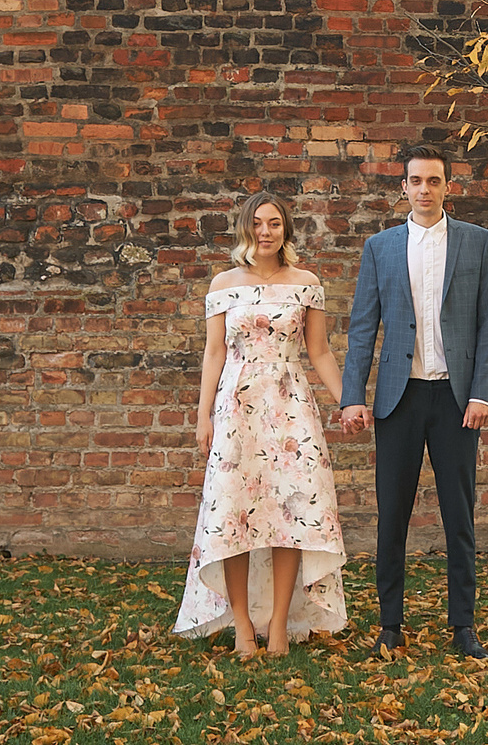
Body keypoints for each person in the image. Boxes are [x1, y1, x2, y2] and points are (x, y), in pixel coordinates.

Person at [338, 144, 488, 659]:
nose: (424, 190)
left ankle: (463, 627)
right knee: (393, 516)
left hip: (456, 400)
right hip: (398, 400)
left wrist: (482, 393)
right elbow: (363, 328)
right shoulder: (380, 247)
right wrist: (351, 398)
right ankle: (390, 624)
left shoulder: (478, 243)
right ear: (403, 188)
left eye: (434, 180)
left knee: (460, 516)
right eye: (415, 181)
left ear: (448, 185)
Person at [173, 190, 349, 656]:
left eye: (274, 224)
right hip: (236, 408)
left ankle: (276, 627)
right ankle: (242, 628)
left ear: (285, 230)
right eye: (258, 223)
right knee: (233, 515)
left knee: (292, 513)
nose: (265, 232)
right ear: (246, 229)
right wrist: (202, 414)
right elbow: (214, 352)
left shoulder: (305, 282)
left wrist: (349, 401)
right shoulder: (223, 284)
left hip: (291, 409)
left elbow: (320, 352)